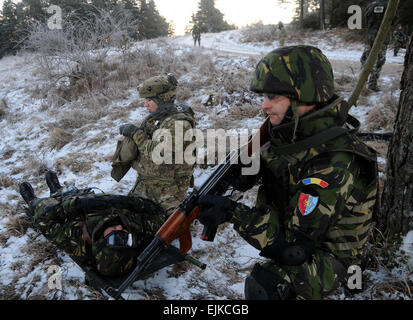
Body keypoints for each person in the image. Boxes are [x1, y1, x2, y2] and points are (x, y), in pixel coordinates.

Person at [195, 45, 379, 300]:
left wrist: (233, 213)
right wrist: (255, 170)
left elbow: (293, 248)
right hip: (306, 237)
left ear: (304, 96)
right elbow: (289, 165)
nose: (264, 105)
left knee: (266, 287)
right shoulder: (294, 132)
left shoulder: (334, 160)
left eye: (274, 96)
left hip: (335, 258)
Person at [19, 171, 166, 277]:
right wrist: (128, 202)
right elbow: (159, 214)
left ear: (99, 241)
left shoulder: (76, 241)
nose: (120, 228)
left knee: (43, 205)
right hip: (97, 200)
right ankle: (57, 189)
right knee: (75, 191)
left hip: (67, 211)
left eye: (114, 237)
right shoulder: (136, 229)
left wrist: (76, 205)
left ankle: (32, 199)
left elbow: (43, 220)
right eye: (127, 239)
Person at [111, 73, 196, 213]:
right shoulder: (155, 118)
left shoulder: (180, 124)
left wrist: (136, 134)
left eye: (149, 100)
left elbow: (160, 152)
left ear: (162, 99)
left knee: (167, 230)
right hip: (146, 183)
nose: (145, 104)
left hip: (169, 191)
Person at [360, 0, 390, 91]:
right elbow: (393, 20)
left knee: (365, 59)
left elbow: (366, 20)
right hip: (383, 37)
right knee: (379, 60)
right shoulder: (389, 5)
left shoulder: (370, 6)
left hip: (370, 36)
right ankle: (372, 84)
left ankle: (361, 83)